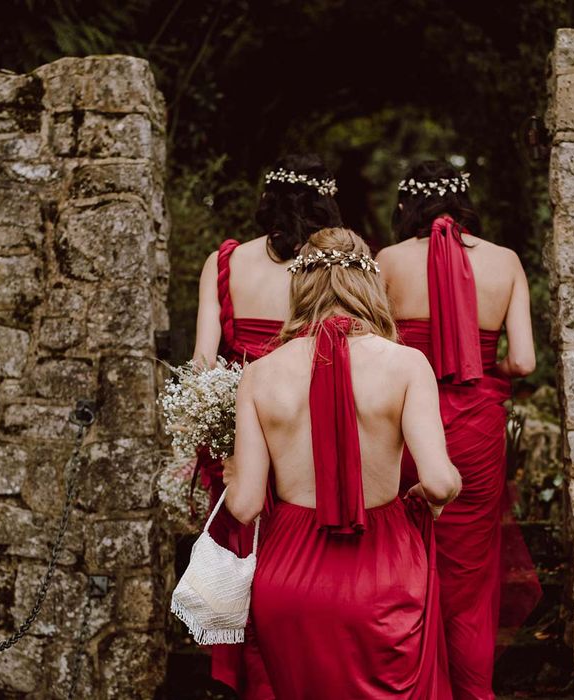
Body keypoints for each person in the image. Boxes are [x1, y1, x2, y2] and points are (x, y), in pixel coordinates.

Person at [225, 227, 462, 699]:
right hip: (383, 575)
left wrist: (231, 468)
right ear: (369, 284)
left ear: (300, 286)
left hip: (289, 581)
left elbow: (246, 504)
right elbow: (438, 481)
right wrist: (432, 493)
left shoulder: (258, 374)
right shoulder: (407, 364)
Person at [375, 160, 542, 700]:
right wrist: (478, 359)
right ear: (464, 202)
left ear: (406, 206)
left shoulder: (387, 261)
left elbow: (371, 353)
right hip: (476, 429)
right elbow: (523, 360)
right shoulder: (506, 262)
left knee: (402, 561)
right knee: (469, 577)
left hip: (402, 430)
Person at [191, 153, 342, 698]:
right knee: (296, 554)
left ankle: (244, 677)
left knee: (243, 553)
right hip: (300, 421)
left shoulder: (224, 260)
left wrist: (209, 433)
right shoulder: (331, 264)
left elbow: (205, 361)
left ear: (266, 198)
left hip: (235, 421)